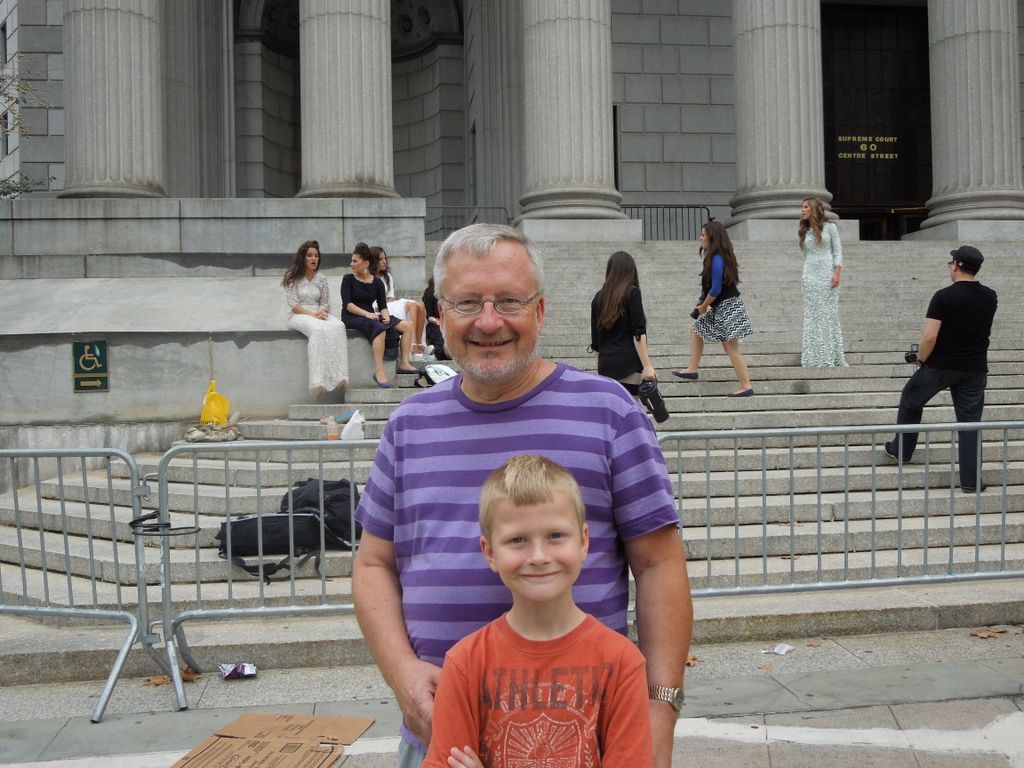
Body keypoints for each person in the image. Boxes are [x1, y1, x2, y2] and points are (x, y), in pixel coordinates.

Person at [353, 223, 692, 768]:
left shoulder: (610, 413)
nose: (490, 322)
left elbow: (659, 565)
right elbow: (372, 563)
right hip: (442, 737)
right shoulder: (408, 424)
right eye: (467, 303)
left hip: (586, 739)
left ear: (540, 311)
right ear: (440, 314)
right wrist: (402, 673)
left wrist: (659, 710)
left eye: (509, 301)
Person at [423, 455, 654, 768]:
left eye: (555, 536)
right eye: (517, 540)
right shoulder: (465, 664)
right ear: (489, 552)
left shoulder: (622, 663)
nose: (539, 556)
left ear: (584, 541)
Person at [883, 245, 998, 493]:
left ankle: (902, 450)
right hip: (975, 368)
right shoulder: (990, 296)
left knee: (911, 399)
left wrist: (921, 359)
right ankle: (970, 481)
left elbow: (930, 337)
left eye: (951, 263)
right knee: (970, 424)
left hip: (941, 365)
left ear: (956, 264)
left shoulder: (943, 296)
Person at [671, 220, 754, 396]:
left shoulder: (717, 259)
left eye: (703, 234)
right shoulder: (716, 257)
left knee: (731, 348)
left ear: (712, 237)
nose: (700, 238)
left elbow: (716, 289)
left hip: (728, 307)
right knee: (697, 331)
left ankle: (746, 386)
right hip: (723, 307)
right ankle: (692, 369)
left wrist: (703, 306)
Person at [340, 242, 418, 388]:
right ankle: (379, 371)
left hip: (371, 314)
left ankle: (405, 363)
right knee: (379, 328)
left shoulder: (377, 283)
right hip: (352, 315)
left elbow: (383, 306)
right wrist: (367, 314)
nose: (351, 264)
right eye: (352, 260)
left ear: (365, 263)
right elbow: (348, 305)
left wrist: (386, 316)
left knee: (406, 326)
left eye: (355, 261)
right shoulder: (348, 279)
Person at [282, 240, 348, 397]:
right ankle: (318, 382)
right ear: (302, 258)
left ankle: (340, 377)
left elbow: (325, 302)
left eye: (316, 256)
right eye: (309, 255)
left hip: (318, 313)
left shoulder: (321, 278)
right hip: (299, 315)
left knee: (339, 326)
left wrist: (322, 312)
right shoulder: (292, 277)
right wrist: (313, 315)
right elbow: (293, 305)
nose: (313, 259)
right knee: (317, 330)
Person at [590, 250, 657, 396]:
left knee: (612, 415)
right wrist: (647, 366)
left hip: (606, 366)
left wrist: (601, 367)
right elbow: (638, 333)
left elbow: (596, 344)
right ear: (630, 271)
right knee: (631, 413)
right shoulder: (632, 293)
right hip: (630, 365)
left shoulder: (597, 298)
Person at [798, 197, 847, 367]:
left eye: (805, 207)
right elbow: (806, 256)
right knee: (813, 315)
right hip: (810, 276)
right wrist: (805, 277)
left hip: (827, 275)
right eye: (802, 207)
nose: (802, 210)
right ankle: (813, 358)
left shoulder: (830, 228)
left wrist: (837, 273)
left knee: (827, 315)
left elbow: (838, 251)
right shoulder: (805, 230)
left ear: (813, 209)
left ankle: (829, 357)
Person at [371, 245, 429, 357]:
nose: (384, 262)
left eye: (385, 259)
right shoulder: (370, 278)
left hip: (390, 303)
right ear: (374, 261)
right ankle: (412, 345)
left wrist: (390, 303)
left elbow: (391, 297)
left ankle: (419, 344)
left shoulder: (387, 276)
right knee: (412, 306)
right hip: (378, 307)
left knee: (420, 306)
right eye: (380, 259)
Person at [421, 276, 450, 361]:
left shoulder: (449, 294)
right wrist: (434, 320)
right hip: (434, 323)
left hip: (447, 322)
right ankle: (433, 351)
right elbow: (428, 315)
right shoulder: (429, 294)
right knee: (440, 339)